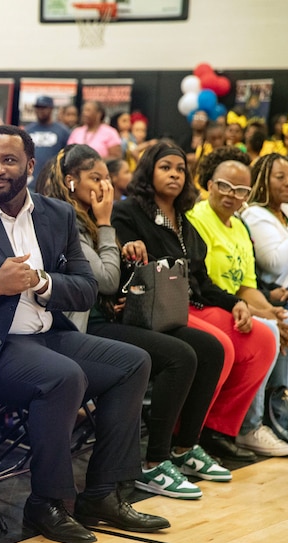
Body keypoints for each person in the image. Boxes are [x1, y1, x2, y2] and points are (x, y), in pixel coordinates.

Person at [0, 125, 168, 543]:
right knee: (62, 377)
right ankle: (47, 502)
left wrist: (43, 282)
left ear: (29, 166)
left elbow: (84, 289)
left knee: (132, 362)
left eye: (8, 160)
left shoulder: (56, 214)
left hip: (44, 336)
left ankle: (102, 493)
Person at [39, 144, 230, 499]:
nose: (105, 187)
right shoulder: (68, 219)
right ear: (70, 181)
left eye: (108, 179)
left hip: (106, 316)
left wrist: (128, 255)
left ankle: (184, 447)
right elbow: (102, 280)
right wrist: (108, 226)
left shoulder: (86, 216)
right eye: (96, 178)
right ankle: (154, 461)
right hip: (77, 328)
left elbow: (109, 280)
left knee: (210, 348)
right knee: (179, 356)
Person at [112, 141, 276, 462]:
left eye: (180, 170)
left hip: (190, 304)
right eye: (165, 168)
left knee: (262, 337)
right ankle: (183, 437)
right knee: (219, 346)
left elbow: (200, 279)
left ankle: (218, 430)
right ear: (149, 171)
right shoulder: (128, 211)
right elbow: (122, 268)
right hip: (149, 309)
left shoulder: (185, 219)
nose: (174, 175)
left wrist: (234, 304)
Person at [187, 159, 288, 456]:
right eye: (224, 186)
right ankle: (248, 427)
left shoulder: (238, 226)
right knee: (269, 332)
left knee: (285, 323)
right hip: (200, 303)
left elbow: (246, 286)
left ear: (247, 195)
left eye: (240, 190)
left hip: (233, 304)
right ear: (209, 185)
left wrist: (271, 311)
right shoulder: (198, 219)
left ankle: (279, 417)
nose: (230, 195)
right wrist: (263, 315)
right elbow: (206, 286)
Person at [241, 153, 288, 301]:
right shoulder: (253, 214)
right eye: (280, 177)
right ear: (263, 181)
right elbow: (274, 263)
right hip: (282, 292)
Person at [24, 95, 69, 190]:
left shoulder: (63, 131)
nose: (40, 110)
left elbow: (67, 156)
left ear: (51, 109)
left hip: (52, 182)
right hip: (31, 182)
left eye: (44, 108)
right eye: (38, 108)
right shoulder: (28, 130)